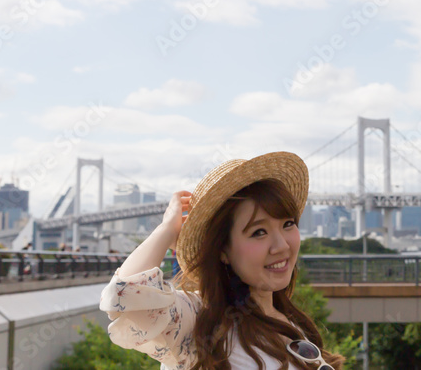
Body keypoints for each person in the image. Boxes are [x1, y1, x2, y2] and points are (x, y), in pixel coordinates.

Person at [99, 151, 343, 370]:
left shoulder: (291, 322)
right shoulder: (200, 321)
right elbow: (124, 296)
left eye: (288, 224)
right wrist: (166, 229)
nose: (282, 245)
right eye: (259, 232)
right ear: (222, 251)